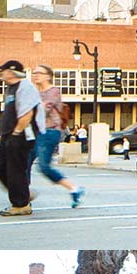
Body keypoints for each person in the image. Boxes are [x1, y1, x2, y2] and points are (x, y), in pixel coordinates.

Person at [25, 64, 85, 208]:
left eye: (39, 73)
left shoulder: (54, 91)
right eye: (34, 73)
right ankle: (24, 196)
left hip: (50, 132)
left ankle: (74, 188)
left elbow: (42, 110)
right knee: (24, 162)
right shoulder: (35, 93)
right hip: (37, 132)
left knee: (44, 167)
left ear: (48, 76)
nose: (35, 75)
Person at [0, 60, 44, 216]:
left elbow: (27, 113)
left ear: (11, 72)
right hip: (9, 133)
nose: (1, 72)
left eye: (4, 70)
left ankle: (21, 204)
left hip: (21, 134)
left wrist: (16, 133)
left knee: (16, 169)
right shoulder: (10, 89)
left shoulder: (25, 87)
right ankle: (23, 194)